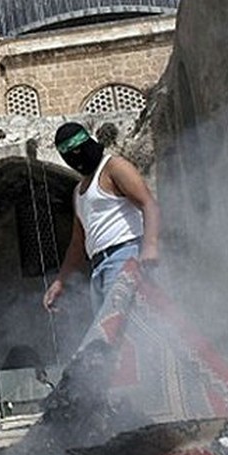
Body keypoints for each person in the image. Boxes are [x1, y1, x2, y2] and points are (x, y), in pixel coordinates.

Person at [43, 122, 161, 315]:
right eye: (70, 154)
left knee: (122, 325)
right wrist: (60, 281)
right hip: (98, 267)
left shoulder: (114, 167)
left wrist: (150, 247)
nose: (76, 158)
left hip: (124, 255)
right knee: (109, 331)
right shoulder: (78, 192)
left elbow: (148, 204)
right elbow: (77, 243)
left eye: (79, 151)